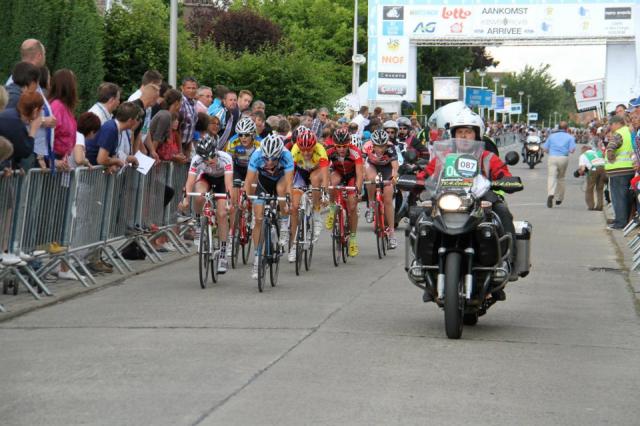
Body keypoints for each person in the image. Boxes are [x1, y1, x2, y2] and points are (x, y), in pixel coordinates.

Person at [179, 135, 234, 273]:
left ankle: (222, 252)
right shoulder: (197, 160)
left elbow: (228, 184)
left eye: (212, 157)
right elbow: (190, 182)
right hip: (206, 178)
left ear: (216, 151)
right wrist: (185, 199)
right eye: (206, 159)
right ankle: (198, 221)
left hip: (222, 181)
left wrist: (228, 202)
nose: (210, 161)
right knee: (198, 197)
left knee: (222, 214)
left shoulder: (226, 158)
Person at [244, 134, 294, 280]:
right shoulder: (257, 155)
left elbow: (289, 183)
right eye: (267, 159)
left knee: (281, 191)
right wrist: (245, 197)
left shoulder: (286, 155)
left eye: (274, 159)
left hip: (281, 179)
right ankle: (257, 257)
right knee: (258, 219)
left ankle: (284, 222)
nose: (270, 162)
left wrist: (288, 199)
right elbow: (249, 180)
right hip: (264, 182)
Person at [287, 129, 329, 262]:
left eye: (309, 150)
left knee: (316, 181)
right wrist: (289, 191)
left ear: (314, 147)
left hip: (316, 172)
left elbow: (325, 175)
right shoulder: (294, 150)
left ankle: (316, 215)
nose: (305, 153)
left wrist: (325, 192)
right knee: (294, 208)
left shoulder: (320, 150)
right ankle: (293, 245)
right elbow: (290, 173)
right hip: (300, 173)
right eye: (303, 149)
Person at [325, 128, 364, 256]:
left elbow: (359, 174)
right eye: (338, 146)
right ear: (334, 145)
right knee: (332, 184)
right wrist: (324, 186)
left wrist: (357, 190)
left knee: (352, 207)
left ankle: (352, 239)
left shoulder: (355, 152)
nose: (341, 149)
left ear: (349, 144)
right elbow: (324, 170)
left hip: (352, 176)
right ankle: (332, 208)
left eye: (344, 146)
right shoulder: (329, 151)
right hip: (339, 173)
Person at [226, 117, 261, 257]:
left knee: (252, 187)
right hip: (238, 169)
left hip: (254, 169)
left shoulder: (260, 143)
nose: (243, 138)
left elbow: (263, 164)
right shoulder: (232, 142)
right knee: (234, 204)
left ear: (253, 134)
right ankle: (230, 235)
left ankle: (251, 209)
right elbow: (228, 163)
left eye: (246, 134)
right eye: (240, 134)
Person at [363, 129, 399, 248]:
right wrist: (362, 175)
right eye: (378, 146)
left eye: (383, 146)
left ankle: (392, 234)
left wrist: (394, 176)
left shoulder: (390, 148)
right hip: (372, 166)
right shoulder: (367, 146)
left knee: (388, 198)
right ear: (373, 144)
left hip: (386, 168)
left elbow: (395, 166)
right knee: (371, 179)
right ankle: (371, 204)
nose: (381, 149)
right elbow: (362, 164)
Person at [85, 102, 141, 171]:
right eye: (136, 119)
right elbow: (101, 159)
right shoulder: (111, 129)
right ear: (130, 121)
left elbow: (112, 155)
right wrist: (118, 161)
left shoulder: (116, 128)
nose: (137, 122)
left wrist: (117, 162)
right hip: (88, 173)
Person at [605, 115, 635, 229]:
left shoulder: (619, 133)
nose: (610, 127)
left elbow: (611, 147)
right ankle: (625, 221)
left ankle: (620, 223)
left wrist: (610, 156)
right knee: (626, 197)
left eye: (611, 125)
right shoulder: (629, 131)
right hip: (630, 169)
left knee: (618, 198)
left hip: (618, 171)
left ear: (617, 124)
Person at [0, 91, 43, 168]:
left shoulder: (12, 115)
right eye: (41, 110)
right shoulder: (16, 123)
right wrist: (33, 130)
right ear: (35, 111)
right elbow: (25, 151)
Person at [49, 69, 79, 169]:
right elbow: (48, 135)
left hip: (61, 159)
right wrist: (52, 160)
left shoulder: (66, 107)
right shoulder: (57, 106)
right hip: (53, 159)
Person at [542, 121, 576, 208]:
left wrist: (551, 152)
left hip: (552, 157)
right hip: (563, 158)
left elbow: (545, 149)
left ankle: (550, 193)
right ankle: (559, 198)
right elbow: (572, 150)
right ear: (567, 128)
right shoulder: (570, 137)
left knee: (551, 177)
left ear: (558, 128)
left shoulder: (552, 136)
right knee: (561, 178)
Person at [577, 144, 606, 211]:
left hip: (593, 170)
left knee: (589, 188)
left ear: (583, 150)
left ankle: (591, 206)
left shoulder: (583, 155)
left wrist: (579, 173)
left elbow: (583, 169)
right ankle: (599, 206)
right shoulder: (598, 153)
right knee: (600, 189)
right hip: (603, 169)